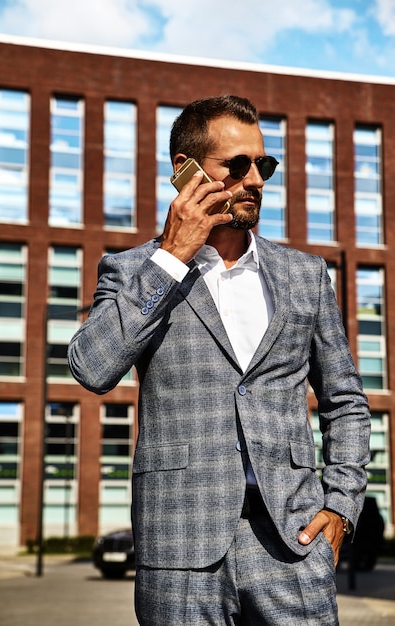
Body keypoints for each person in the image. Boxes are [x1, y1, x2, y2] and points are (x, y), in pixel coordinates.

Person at [68, 95, 371, 625]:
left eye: (264, 164)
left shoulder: (304, 275)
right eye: (237, 165)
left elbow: (344, 401)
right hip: (179, 553)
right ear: (186, 172)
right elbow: (92, 368)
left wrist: (341, 505)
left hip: (292, 546)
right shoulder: (133, 269)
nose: (255, 179)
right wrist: (172, 256)